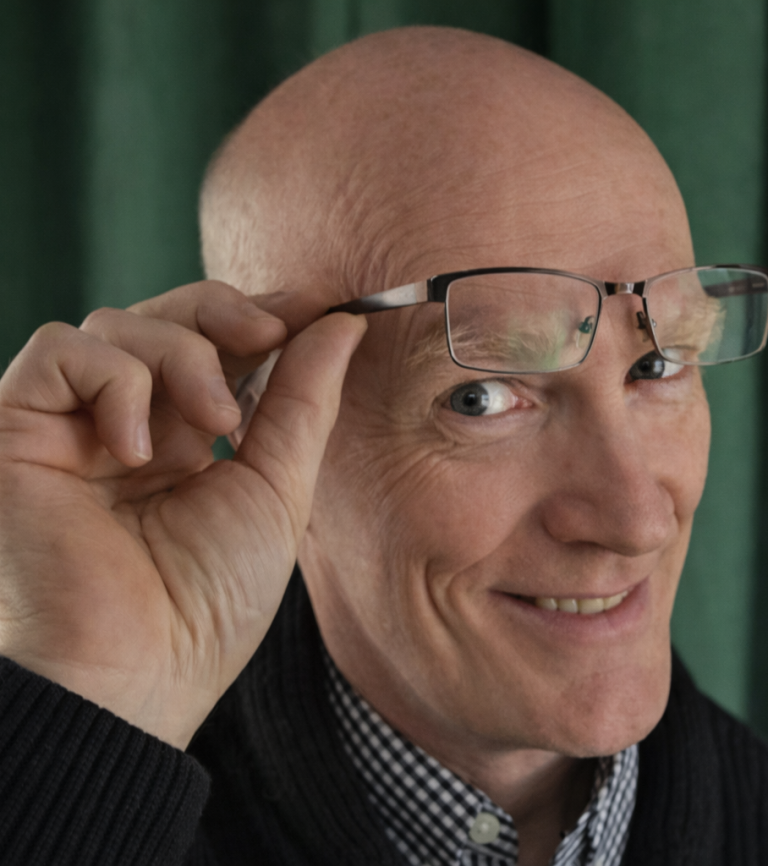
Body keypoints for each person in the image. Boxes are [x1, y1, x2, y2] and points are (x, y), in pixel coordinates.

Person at [0, 25, 766, 866]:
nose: (637, 520)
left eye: (659, 364)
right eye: (481, 397)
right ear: (258, 413)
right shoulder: (73, 808)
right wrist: (90, 720)